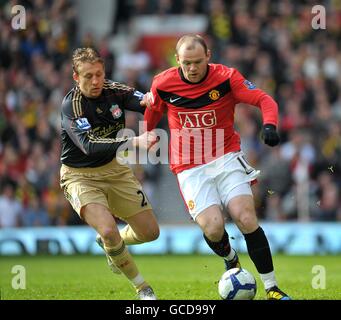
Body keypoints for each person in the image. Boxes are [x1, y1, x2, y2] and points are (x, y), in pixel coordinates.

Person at [144, 34, 291, 300]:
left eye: (197, 62)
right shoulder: (163, 84)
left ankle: (271, 288)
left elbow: (264, 100)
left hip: (225, 156)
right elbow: (152, 112)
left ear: (208, 56)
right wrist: (148, 132)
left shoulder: (226, 78)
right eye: (186, 63)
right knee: (212, 228)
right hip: (189, 166)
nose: (192, 68)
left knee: (245, 217)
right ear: (177, 60)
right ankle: (231, 259)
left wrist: (269, 125)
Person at [60, 47, 159, 300]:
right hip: (79, 176)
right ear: (75, 77)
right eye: (88, 76)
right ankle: (142, 288)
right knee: (108, 230)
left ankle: (110, 245)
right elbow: (89, 145)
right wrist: (135, 142)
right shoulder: (72, 106)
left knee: (150, 233)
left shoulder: (114, 90)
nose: (95, 81)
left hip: (115, 170)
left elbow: (142, 100)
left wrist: (149, 100)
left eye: (99, 74)